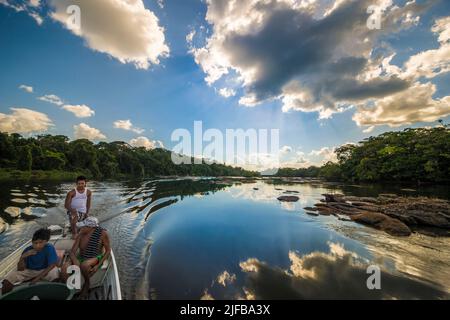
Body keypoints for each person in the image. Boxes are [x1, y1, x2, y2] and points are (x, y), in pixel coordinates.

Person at [61, 217, 111, 298]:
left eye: (84, 226)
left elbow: (108, 251)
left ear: (91, 228)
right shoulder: (81, 234)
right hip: (81, 257)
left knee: (84, 265)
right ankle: (71, 289)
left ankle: (87, 283)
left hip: (95, 257)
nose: (81, 228)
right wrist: (75, 260)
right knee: (64, 268)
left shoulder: (103, 234)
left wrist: (97, 266)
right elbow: (72, 251)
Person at [1, 228, 59, 294]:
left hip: (44, 269)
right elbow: (20, 269)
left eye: (40, 242)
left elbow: (52, 265)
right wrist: (23, 257)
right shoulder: (27, 250)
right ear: (32, 242)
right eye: (35, 243)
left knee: (55, 274)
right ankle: (5, 296)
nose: (37, 245)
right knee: (8, 280)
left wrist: (37, 279)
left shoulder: (49, 248)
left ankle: (54, 292)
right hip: (29, 270)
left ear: (45, 242)